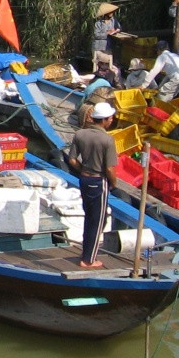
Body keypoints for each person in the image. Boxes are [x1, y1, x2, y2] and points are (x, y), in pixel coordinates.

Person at [64, 100, 119, 268]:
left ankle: (86, 253)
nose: (111, 120)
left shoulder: (80, 134)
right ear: (103, 120)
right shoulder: (107, 140)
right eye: (110, 118)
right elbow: (110, 168)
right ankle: (89, 259)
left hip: (84, 180)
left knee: (89, 217)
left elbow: (72, 160)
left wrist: (83, 170)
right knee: (98, 221)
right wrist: (114, 183)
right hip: (98, 180)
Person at [91, 2, 128, 74]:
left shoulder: (114, 21)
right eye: (110, 12)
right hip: (100, 46)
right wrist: (106, 33)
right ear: (106, 14)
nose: (112, 13)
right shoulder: (98, 23)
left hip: (109, 45)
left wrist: (116, 30)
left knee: (111, 62)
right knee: (98, 63)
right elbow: (96, 35)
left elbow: (119, 27)